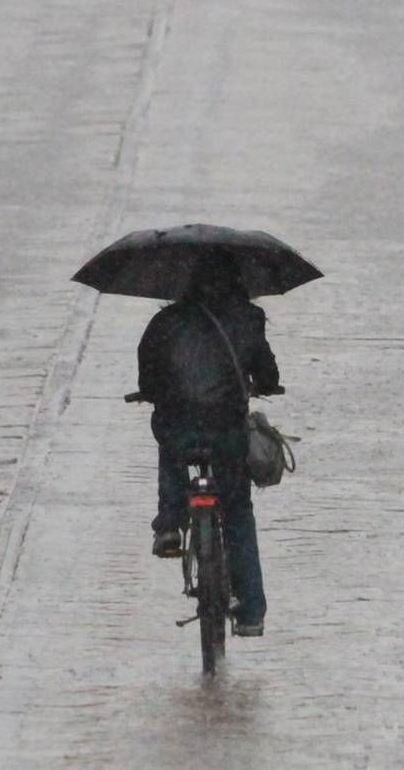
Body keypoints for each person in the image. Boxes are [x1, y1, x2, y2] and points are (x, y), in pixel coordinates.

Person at [134, 253, 281, 636]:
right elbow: (267, 374)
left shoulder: (165, 321)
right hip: (228, 434)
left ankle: (169, 524)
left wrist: (154, 393)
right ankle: (251, 613)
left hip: (180, 430)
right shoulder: (249, 318)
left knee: (169, 442)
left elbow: (147, 376)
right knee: (237, 513)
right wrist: (264, 384)